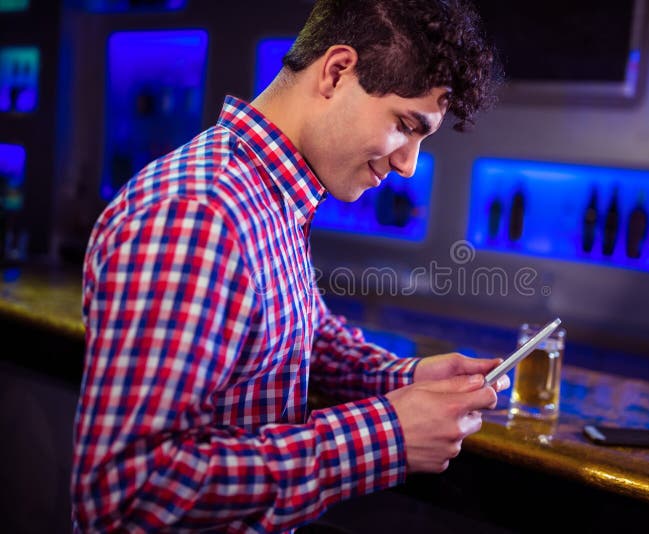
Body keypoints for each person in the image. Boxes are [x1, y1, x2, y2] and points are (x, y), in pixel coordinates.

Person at [71, 0, 505, 531]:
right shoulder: (198, 215)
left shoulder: (269, 195)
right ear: (337, 71)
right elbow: (131, 492)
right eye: (403, 125)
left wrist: (404, 377)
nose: (408, 165)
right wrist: (384, 435)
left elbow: (296, 333)